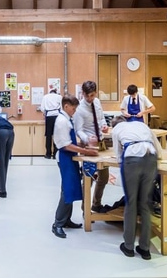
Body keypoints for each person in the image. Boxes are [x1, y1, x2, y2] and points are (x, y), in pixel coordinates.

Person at [111, 115, 162, 260]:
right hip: (151, 157)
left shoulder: (116, 130)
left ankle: (128, 246)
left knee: (131, 202)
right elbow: (158, 148)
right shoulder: (141, 125)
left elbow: (119, 155)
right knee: (145, 203)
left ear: (114, 126)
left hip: (132, 159)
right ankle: (145, 249)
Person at [51, 94, 98, 239]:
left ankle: (66, 220)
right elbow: (64, 145)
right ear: (66, 106)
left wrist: (81, 145)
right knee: (67, 190)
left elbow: (69, 140)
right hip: (64, 158)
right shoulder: (61, 121)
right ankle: (57, 224)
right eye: (73, 107)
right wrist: (85, 151)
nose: (75, 110)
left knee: (69, 189)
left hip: (70, 157)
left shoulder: (66, 119)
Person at [73, 80, 109, 213]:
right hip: (88, 146)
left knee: (104, 177)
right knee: (89, 179)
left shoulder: (97, 102)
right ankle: (85, 210)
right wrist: (87, 139)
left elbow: (101, 118)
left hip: (101, 143)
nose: (89, 98)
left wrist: (104, 126)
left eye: (92, 95)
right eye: (87, 95)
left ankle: (96, 203)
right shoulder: (79, 109)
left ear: (96, 93)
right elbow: (78, 130)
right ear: (82, 93)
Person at [40, 89, 62, 159]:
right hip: (57, 116)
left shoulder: (45, 97)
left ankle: (48, 154)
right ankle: (55, 154)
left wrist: (45, 112)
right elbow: (62, 108)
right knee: (56, 135)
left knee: (48, 135)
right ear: (55, 92)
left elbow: (42, 108)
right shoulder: (59, 97)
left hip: (49, 116)